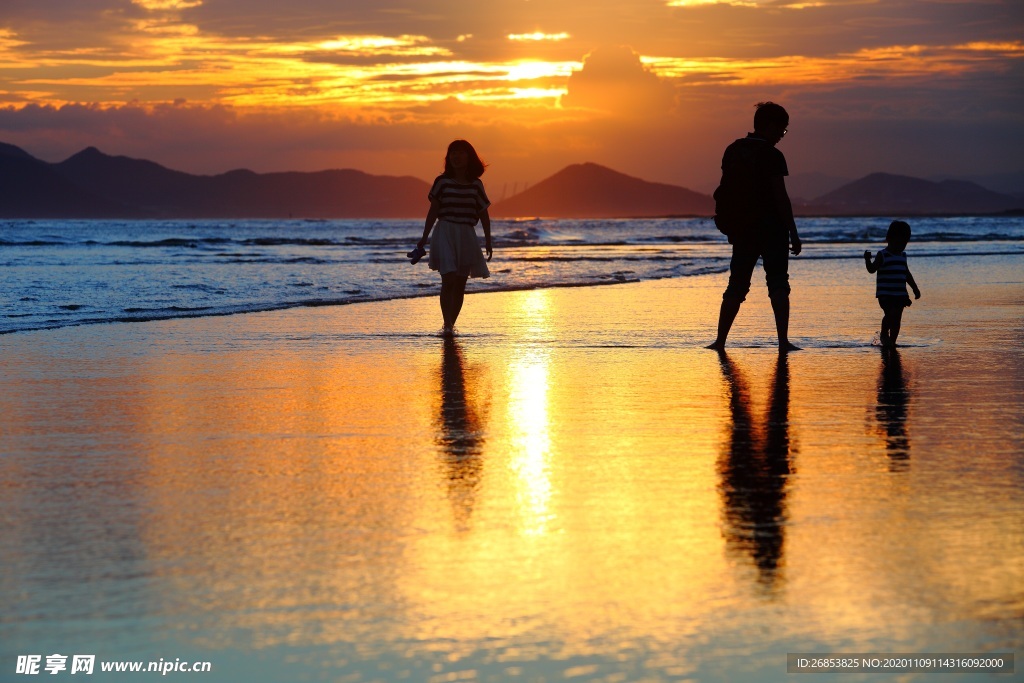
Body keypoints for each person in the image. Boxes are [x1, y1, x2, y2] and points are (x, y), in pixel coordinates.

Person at [708, 102, 802, 352]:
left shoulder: (733, 150)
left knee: (736, 285)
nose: (782, 136)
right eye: (782, 130)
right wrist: (793, 231)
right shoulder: (772, 155)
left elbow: (724, 188)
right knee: (779, 283)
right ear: (770, 126)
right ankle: (783, 342)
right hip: (772, 228)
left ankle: (720, 341)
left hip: (743, 228)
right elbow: (780, 197)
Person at [416, 140, 493, 336]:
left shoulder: (476, 184)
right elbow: (433, 211)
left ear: (469, 157)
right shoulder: (442, 182)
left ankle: (450, 325)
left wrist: (488, 239)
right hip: (445, 231)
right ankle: (447, 324)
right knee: (448, 279)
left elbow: (483, 213)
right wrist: (424, 237)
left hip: (467, 234)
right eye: (453, 153)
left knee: (460, 283)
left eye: (461, 153)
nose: (456, 157)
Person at [864, 220, 921, 347]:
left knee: (897, 318)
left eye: (904, 243)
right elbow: (872, 269)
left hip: (900, 294)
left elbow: (907, 273)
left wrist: (915, 288)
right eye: (899, 242)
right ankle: (884, 333)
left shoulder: (903, 256)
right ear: (889, 238)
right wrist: (868, 260)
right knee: (891, 314)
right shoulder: (882, 255)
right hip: (885, 293)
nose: (901, 245)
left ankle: (892, 342)